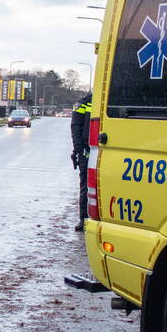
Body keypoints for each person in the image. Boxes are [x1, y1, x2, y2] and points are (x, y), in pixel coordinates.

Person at [71, 92, 92, 231]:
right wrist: (78, 149)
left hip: (107, 149)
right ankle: (83, 219)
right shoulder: (84, 102)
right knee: (85, 186)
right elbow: (76, 126)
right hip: (87, 150)